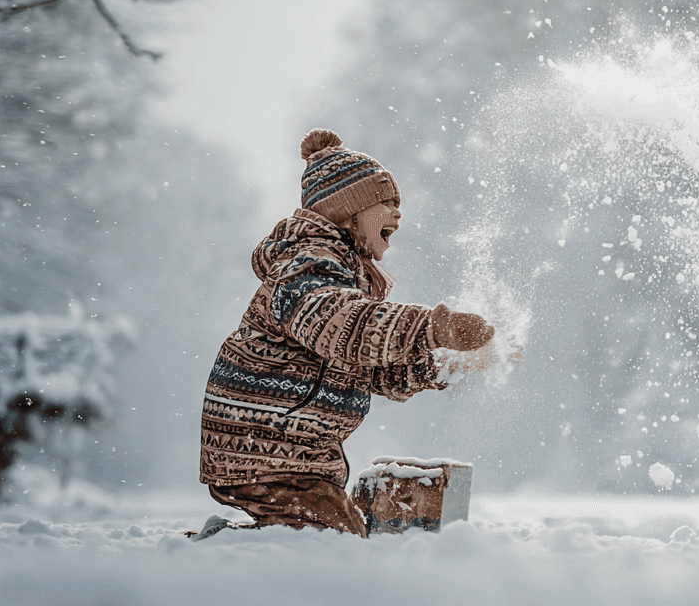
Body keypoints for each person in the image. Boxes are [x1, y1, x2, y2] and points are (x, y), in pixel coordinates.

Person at [195, 129, 494, 538]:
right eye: (385, 203)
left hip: (300, 455)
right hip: (259, 446)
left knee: (336, 532)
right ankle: (221, 548)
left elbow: (371, 365)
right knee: (329, 537)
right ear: (347, 211)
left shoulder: (349, 278)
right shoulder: (307, 266)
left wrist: (443, 365)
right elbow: (345, 328)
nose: (398, 213)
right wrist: (433, 327)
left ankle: (237, 542)